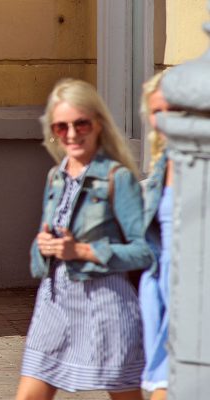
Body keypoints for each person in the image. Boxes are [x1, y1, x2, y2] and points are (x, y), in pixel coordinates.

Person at [16, 79, 154, 400]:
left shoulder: (116, 178)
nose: (73, 134)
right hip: (54, 302)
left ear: (99, 125)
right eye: (62, 127)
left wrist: (82, 250)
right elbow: (45, 247)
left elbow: (144, 251)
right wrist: (44, 246)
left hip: (105, 304)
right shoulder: (56, 177)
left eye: (81, 124)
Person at [138, 71, 173, 400]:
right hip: (156, 284)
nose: (163, 120)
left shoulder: (198, 162)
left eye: (171, 111)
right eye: (156, 111)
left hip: (187, 286)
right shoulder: (161, 163)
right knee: (159, 385)